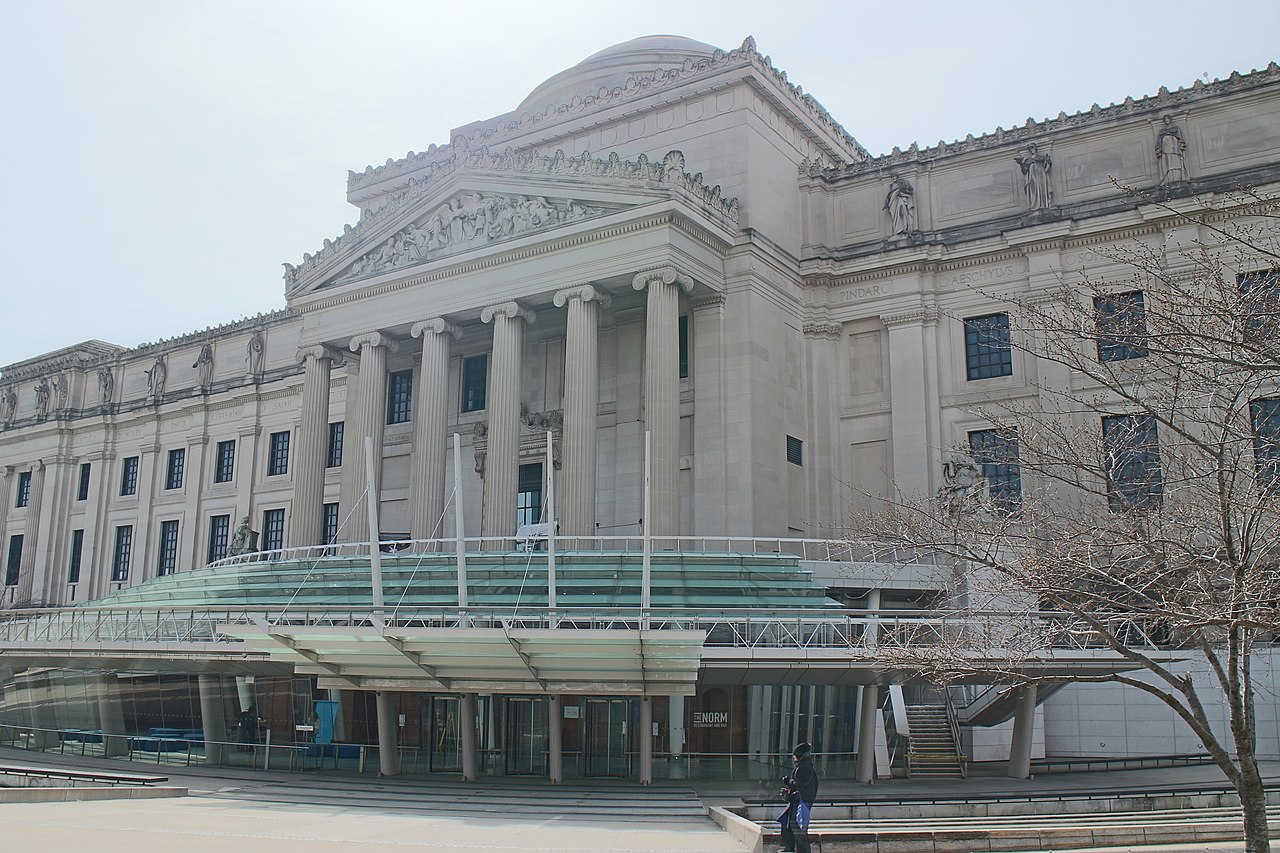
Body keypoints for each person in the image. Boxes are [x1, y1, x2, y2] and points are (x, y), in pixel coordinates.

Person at [778, 741, 819, 853]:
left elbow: (798, 783)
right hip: (797, 801)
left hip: (801, 801)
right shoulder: (804, 766)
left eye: (796, 756)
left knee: (798, 827)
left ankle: (801, 850)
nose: (794, 758)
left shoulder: (805, 767)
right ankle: (789, 847)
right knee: (787, 824)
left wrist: (788, 781)